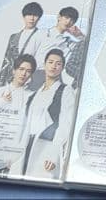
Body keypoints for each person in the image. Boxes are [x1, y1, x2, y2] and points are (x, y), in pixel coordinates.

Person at [22, 48, 75, 179]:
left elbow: (66, 124)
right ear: (44, 64)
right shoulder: (37, 92)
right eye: (50, 62)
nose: (54, 66)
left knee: (39, 181)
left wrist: (53, 154)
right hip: (27, 144)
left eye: (58, 64)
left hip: (46, 146)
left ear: (62, 68)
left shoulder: (65, 90)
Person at [34, 6, 85, 87]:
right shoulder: (42, 34)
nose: (68, 22)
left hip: (54, 79)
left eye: (72, 20)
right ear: (59, 17)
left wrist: (80, 35)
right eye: (66, 18)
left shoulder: (69, 43)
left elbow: (84, 46)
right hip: (36, 74)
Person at [0, 2, 43, 87]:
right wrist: (0, 85)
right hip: (11, 80)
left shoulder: (41, 36)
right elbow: (6, 61)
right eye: (29, 15)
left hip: (29, 80)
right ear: (24, 16)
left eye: (35, 15)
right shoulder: (14, 37)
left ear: (39, 18)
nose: (32, 18)